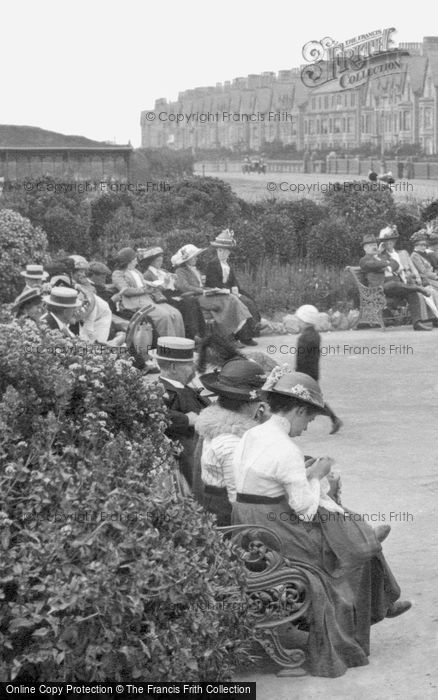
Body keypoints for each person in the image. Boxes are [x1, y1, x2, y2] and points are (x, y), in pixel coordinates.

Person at [232, 366, 411, 678]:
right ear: (298, 410)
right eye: (308, 419)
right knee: (350, 546)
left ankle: (375, 571)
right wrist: (316, 474)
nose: (306, 427)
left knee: (350, 531)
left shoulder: (252, 433)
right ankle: (380, 594)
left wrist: (305, 478)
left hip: (247, 518)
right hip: (275, 529)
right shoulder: (286, 448)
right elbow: (303, 509)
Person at [195, 358, 267, 526]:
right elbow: (239, 501)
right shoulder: (230, 442)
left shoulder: (214, 425)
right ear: (250, 404)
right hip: (226, 518)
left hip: (215, 504)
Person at [155, 337, 210, 488]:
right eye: (189, 364)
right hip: (188, 457)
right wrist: (185, 419)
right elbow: (156, 412)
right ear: (173, 367)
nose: (193, 368)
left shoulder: (182, 386)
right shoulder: (162, 390)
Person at [172, 244, 252, 345]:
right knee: (227, 300)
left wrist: (213, 289)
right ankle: (228, 336)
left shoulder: (195, 270)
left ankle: (230, 334)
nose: (196, 258)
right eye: (194, 257)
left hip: (204, 295)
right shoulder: (180, 271)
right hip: (195, 297)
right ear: (187, 259)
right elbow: (184, 287)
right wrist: (202, 291)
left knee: (230, 297)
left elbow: (201, 285)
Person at [359, 231, 437, 330]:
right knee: (394, 284)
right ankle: (418, 288)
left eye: (374, 245)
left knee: (412, 293)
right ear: (365, 248)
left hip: (393, 288)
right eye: (370, 245)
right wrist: (386, 263)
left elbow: (395, 263)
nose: (373, 247)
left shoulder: (382, 257)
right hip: (379, 288)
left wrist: (388, 266)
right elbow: (372, 265)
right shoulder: (364, 260)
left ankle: (417, 323)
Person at [111, 247, 185, 338]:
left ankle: (179, 344)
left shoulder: (136, 271)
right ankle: (165, 346)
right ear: (128, 260)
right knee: (163, 316)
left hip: (148, 299)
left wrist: (154, 285)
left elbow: (144, 284)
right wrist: (144, 290)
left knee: (176, 313)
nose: (136, 261)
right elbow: (125, 290)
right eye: (134, 258)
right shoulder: (118, 273)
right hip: (133, 302)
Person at [138, 246, 206, 340]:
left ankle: (202, 333)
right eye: (158, 261)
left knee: (193, 301)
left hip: (173, 293)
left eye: (161, 260)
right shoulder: (147, 274)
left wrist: (174, 280)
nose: (160, 263)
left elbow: (176, 286)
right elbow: (153, 291)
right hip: (162, 297)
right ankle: (190, 335)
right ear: (151, 262)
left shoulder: (163, 271)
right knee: (186, 303)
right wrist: (166, 282)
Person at [206, 229, 260, 346]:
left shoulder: (227, 264)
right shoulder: (212, 264)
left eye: (225, 251)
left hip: (229, 291)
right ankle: (237, 335)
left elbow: (233, 280)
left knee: (248, 301)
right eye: (220, 251)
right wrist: (227, 291)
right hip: (218, 292)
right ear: (217, 251)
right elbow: (211, 282)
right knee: (240, 303)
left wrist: (235, 289)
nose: (222, 253)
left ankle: (247, 335)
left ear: (229, 253)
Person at [295, 304, 343, 434]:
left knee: (308, 400)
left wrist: (297, 374)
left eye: (299, 320)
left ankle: (334, 419)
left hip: (305, 373)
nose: (298, 322)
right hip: (312, 372)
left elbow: (301, 360)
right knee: (309, 400)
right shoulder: (315, 335)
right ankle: (333, 419)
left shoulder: (304, 338)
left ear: (304, 321)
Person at [410, 230, 438, 306]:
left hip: (432, 277)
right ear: (415, 245)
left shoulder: (425, 254)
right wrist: (436, 276)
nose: (423, 247)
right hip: (425, 279)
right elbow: (424, 271)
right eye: (421, 245)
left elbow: (432, 267)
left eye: (424, 245)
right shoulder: (414, 255)